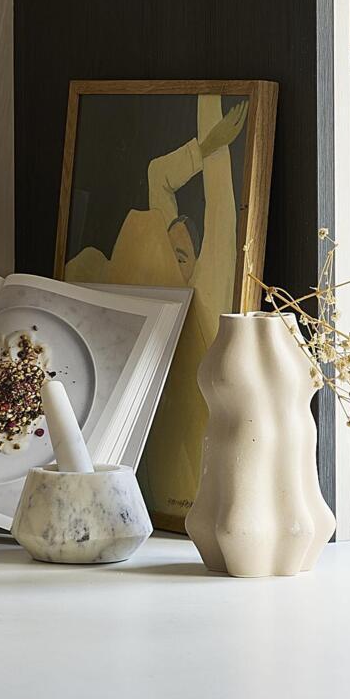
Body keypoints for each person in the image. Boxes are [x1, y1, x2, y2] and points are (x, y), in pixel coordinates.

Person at [64, 96, 246, 518]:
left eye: (181, 255)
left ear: (196, 264)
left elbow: (220, 206)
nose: (168, 256)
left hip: (190, 475)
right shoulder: (154, 289)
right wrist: (204, 146)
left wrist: (214, 126)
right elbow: (158, 176)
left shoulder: (208, 292)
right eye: (168, 246)